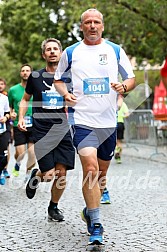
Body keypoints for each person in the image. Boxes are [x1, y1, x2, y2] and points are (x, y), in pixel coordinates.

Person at [54, 8, 135, 245]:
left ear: (102, 25)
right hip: (83, 121)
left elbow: (130, 78)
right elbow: (58, 79)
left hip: (108, 123)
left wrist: (124, 87)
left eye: (96, 22)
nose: (92, 25)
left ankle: (89, 211)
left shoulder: (115, 50)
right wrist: (65, 94)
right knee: (89, 168)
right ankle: (97, 224)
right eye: (87, 22)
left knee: (100, 175)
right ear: (82, 26)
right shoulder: (71, 52)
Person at [18, 38, 75, 222]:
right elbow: (25, 99)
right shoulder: (35, 77)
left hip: (62, 128)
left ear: (60, 53)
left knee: (62, 174)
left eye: (55, 49)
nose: (52, 52)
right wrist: (20, 118)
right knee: (49, 175)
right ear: (44, 54)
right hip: (42, 130)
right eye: (48, 49)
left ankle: (53, 207)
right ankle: (37, 175)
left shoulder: (69, 76)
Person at [8, 64, 36, 182]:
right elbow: (9, 107)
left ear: (31, 73)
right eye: (23, 71)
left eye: (27, 71)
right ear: (20, 74)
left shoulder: (36, 88)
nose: (25, 73)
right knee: (20, 153)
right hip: (18, 124)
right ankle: (17, 163)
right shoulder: (13, 90)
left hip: (34, 124)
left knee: (32, 153)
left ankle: (28, 174)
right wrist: (11, 113)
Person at [0, 78, 11, 178]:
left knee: (3, 154)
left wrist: (5, 117)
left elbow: (8, 112)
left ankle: (1, 171)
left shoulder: (4, 98)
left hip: (2, 129)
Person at [114, 94, 129, 164]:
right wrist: (122, 116)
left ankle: (116, 149)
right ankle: (119, 157)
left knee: (115, 140)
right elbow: (127, 114)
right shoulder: (123, 104)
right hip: (120, 123)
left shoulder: (112, 103)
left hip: (113, 123)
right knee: (120, 141)